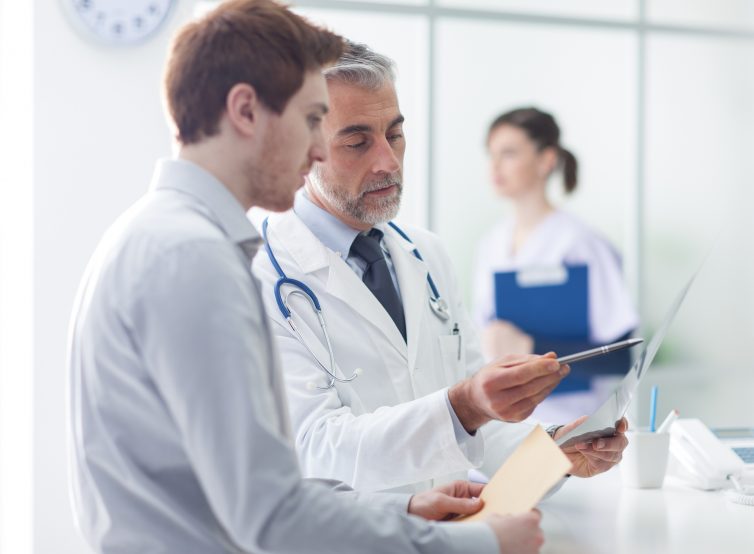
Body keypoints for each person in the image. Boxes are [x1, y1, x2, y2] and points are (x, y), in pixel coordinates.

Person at [66, 2, 544, 553]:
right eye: (312, 120)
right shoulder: (190, 258)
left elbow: (246, 489)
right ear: (246, 111)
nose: (317, 149)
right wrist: (476, 547)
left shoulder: (165, 236)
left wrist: (402, 509)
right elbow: (271, 516)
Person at [253, 41, 628, 495]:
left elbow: (481, 428)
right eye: (356, 142)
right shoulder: (259, 276)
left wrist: (554, 454)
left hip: (450, 535)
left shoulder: (427, 256)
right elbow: (313, 449)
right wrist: (463, 407)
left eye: (394, 135)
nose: (388, 162)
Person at [473, 107, 639, 423]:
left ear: (546, 161)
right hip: (503, 424)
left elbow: (620, 358)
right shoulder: (490, 245)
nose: (494, 166)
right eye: (490, 154)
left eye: (508, 153)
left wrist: (529, 346)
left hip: (571, 424)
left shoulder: (580, 243)